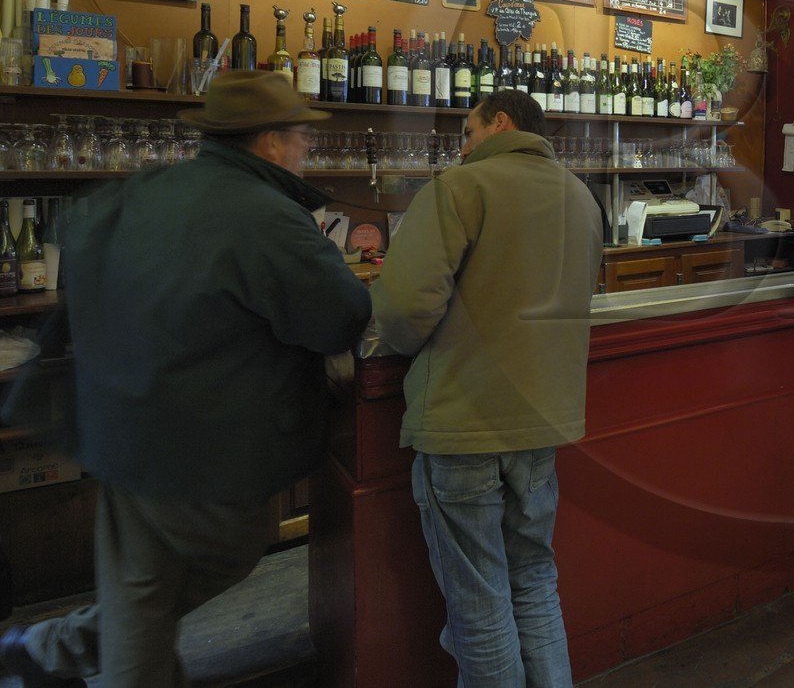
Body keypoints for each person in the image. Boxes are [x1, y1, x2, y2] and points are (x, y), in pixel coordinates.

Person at [0, 72, 372, 688]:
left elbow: (79, 252)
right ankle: (54, 648)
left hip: (118, 431)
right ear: (270, 142)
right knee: (215, 560)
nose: (306, 147)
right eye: (302, 135)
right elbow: (341, 318)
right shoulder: (268, 216)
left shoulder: (144, 188)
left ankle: (48, 649)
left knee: (141, 595)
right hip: (212, 449)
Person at [371, 89, 603, 687]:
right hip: (542, 421)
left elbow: (401, 308)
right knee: (533, 579)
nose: (463, 145)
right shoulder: (580, 195)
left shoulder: (459, 188)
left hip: (463, 420)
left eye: (467, 131)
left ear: (500, 123)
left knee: (479, 599)